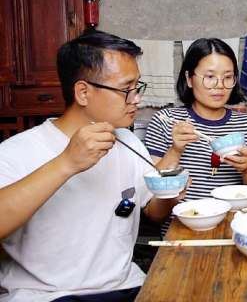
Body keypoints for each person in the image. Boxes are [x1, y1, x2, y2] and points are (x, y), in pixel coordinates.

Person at [0, 30, 184, 302]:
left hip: (125, 286)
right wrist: (66, 163)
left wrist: (169, 194)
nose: (136, 98)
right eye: (126, 89)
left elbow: (153, 212)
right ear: (83, 92)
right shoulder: (18, 151)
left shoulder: (127, 140)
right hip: (47, 295)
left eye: (137, 87)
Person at [144, 38, 247, 214]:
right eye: (209, 77)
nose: (220, 86)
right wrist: (175, 150)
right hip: (181, 228)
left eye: (228, 77)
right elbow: (150, 198)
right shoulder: (165, 120)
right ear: (189, 79)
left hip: (234, 223)